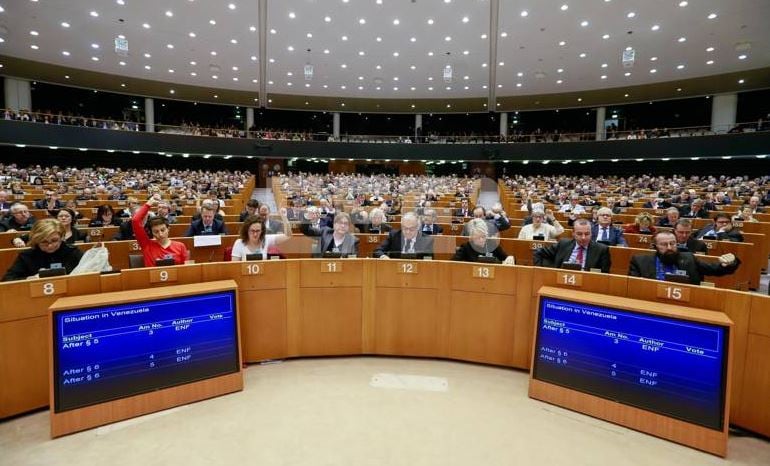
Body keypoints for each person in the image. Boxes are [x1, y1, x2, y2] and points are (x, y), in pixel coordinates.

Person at [628, 231, 740, 285]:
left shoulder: (689, 258)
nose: (669, 247)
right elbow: (633, 286)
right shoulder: (640, 261)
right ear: (654, 246)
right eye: (664, 244)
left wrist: (729, 263)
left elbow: (714, 269)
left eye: (672, 243)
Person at [2, 219, 84, 281]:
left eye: (54, 240)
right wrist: (29, 278)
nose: (50, 245)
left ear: (62, 237)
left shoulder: (73, 252)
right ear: (37, 240)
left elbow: (89, 273)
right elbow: (7, 279)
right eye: (44, 242)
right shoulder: (27, 255)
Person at [533, 218, 611, 272]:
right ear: (573, 233)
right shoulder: (563, 244)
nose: (583, 238)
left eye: (587, 234)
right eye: (579, 234)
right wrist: (540, 271)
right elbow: (538, 252)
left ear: (591, 233)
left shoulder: (602, 250)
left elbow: (604, 275)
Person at [133, 194, 189, 267]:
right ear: (152, 233)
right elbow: (135, 220)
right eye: (156, 232)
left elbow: (187, 269)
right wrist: (149, 203)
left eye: (163, 230)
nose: (160, 234)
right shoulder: (146, 245)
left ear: (168, 229)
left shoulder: (180, 246)